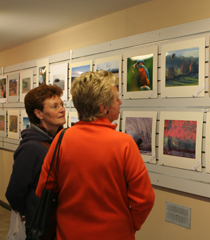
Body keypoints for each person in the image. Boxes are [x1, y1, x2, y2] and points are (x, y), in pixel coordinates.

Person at [36, 70, 155, 240]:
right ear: (103, 107)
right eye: (116, 99)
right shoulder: (124, 144)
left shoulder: (61, 139)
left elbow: (43, 189)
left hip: (68, 233)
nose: (120, 102)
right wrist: (130, 225)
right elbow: (144, 199)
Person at [6, 84, 66, 233]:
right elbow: (14, 193)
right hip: (42, 227)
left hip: (60, 223)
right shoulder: (31, 148)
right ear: (39, 113)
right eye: (54, 106)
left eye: (61, 104)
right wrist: (32, 212)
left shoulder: (62, 140)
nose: (62, 109)